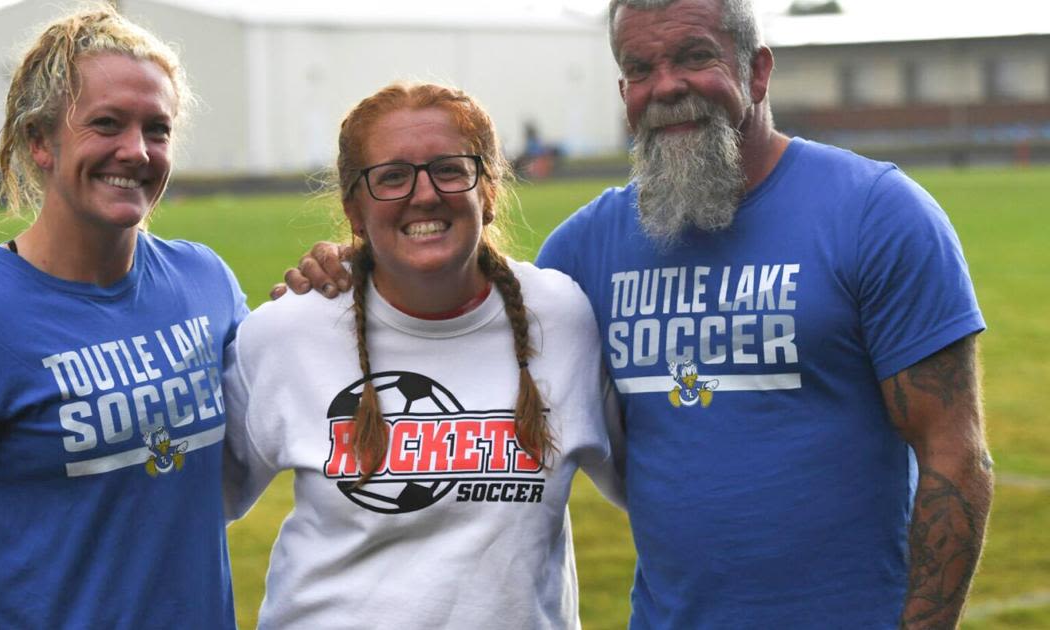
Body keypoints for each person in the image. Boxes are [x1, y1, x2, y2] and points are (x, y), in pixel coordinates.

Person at [279, 0, 993, 627]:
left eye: (694, 57)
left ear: (758, 71)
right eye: (640, 68)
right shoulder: (585, 253)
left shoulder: (876, 215)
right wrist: (349, 265)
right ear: (623, 89)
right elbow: (461, 306)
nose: (668, 87)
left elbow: (955, 454)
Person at [0, 8, 246, 628]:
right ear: (39, 141)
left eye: (158, 129)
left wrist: (340, 275)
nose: (137, 151)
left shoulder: (206, 282)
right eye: (106, 124)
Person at [222, 81, 622, 629]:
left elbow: (664, 488)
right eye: (392, 177)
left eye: (450, 169)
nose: (425, 193)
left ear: (489, 189)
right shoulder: (286, 332)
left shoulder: (564, 318)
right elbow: (186, 510)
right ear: (353, 209)